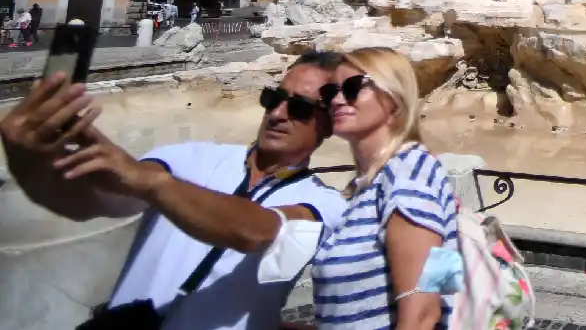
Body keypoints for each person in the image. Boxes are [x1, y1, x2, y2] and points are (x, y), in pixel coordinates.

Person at [0, 50, 347, 330]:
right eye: (273, 98)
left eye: (299, 107)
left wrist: (151, 183)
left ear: (329, 124)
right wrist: (28, 161)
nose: (278, 113)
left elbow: (257, 232)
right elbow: (94, 200)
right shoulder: (189, 157)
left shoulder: (325, 204)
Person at [310, 48, 461, 330]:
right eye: (331, 91)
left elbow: (423, 314)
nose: (338, 99)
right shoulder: (369, 185)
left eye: (353, 87)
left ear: (394, 98)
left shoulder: (408, 172)